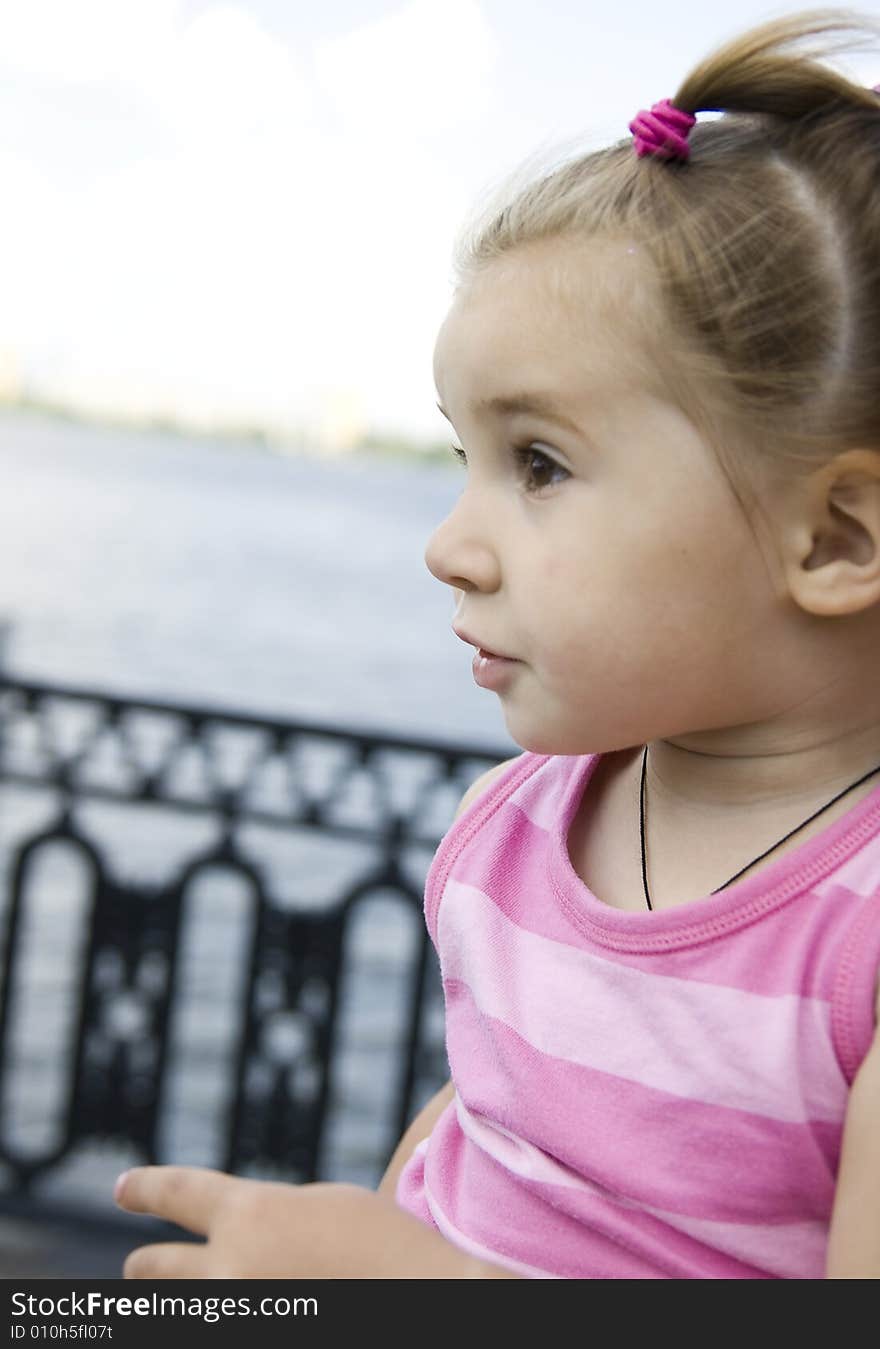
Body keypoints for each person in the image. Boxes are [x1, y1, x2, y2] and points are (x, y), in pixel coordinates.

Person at [114, 9, 880, 1278]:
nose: (449, 546)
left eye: (538, 463)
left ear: (838, 538)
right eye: (464, 456)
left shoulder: (852, 937)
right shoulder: (513, 826)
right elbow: (482, 1146)